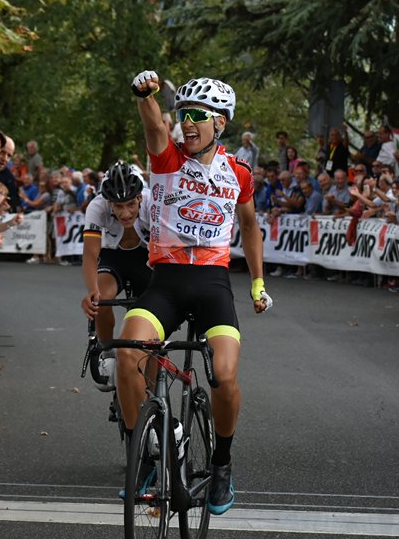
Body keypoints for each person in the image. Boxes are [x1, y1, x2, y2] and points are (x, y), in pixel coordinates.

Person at [128, 70, 272, 515]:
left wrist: (257, 282)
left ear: (220, 124)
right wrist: (145, 95)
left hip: (212, 283)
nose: (186, 123)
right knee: (130, 352)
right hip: (166, 282)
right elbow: (154, 125)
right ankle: (149, 453)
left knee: (225, 375)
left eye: (196, 116)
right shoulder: (168, 159)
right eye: (182, 114)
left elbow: (249, 226)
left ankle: (222, 463)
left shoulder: (239, 173)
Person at [80, 162, 152, 388]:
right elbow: (91, 255)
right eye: (117, 206)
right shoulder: (97, 206)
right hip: (114, 256)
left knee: (154, 312)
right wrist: (92, 290)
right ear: (108, 202)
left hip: (146, 255)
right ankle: (107, 351)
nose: (125, 213)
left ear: (140, 197)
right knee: (102, 299)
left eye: (131, 204)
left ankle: (152, 386)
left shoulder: (153, 202)